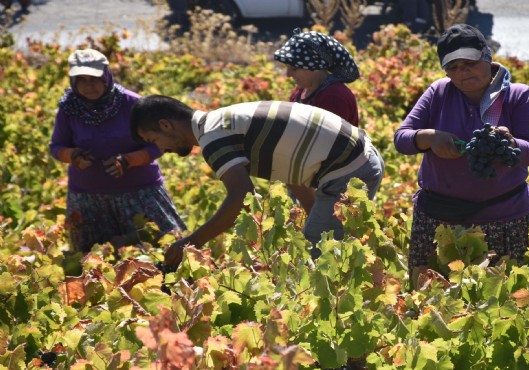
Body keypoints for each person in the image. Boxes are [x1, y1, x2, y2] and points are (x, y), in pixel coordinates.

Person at [129, 96, 384, 267]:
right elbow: (294, 175)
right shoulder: (224, 118)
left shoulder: (213, 136)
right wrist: (312, 221)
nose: (160, 149)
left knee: (317, 267)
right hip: (361, 159)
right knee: (325, 254)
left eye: (153, 141)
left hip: (349, 171)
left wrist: (190, 243)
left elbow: (241, 197)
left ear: (166, 125)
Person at [393, 24, 529, 285]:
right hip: (439, 221)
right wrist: (429, 137)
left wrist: (509, 144)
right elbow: (402, 138)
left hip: (505, 219)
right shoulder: (438, 93)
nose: (462, 72)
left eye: (469, 63)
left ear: (486, 57)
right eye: (453, 67)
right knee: (433, 305)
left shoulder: (519, 96)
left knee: (505, 305)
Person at [50, 49, 186, 253]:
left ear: (106, 76)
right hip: (89, 197)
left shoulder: (132, 104)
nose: (90, 86)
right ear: (73, 81)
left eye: (95, 79)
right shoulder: (68, 109)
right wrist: (74, 156)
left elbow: (159, 143)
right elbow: (57, 147)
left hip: (140, 192)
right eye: (82, 80)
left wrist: (128, 160)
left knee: (162, 249)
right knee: (95, 259)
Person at [273, 28, 360, 127]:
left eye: (294, 68)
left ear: (315, 66)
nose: (288, 74)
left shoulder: (333, 97)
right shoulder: (300, 92)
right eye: (287, 67)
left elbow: (326, 140)